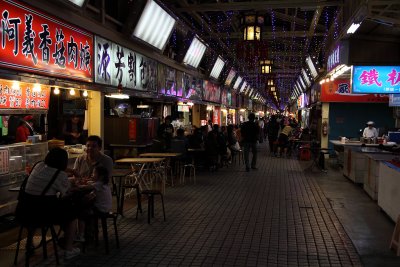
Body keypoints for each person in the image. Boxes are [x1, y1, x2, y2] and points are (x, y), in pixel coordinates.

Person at [24, 147, 80, 260]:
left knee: (35, 215)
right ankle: (68, 249)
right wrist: (74, 182)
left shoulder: (38, 166)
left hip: (25, 212)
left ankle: (29, 243)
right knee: (72, 215)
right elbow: (68, 192)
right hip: (45, 214)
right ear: (64, 161)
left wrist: (70, 171)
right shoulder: (61, 176)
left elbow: (51, 173)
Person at [75, 165, 112, 242]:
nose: (92, 175)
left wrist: (77, 184)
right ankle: (88, 233)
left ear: (100, 177)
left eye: (94, 173)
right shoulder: (104, 184)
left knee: (80, 213)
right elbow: (92, 190)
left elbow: (84, 188)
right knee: (86, 205)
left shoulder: (98, 184)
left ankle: (81, 235)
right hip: (106, 208)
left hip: (100, 209)